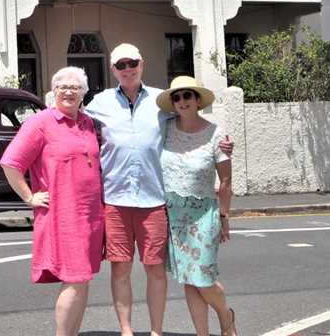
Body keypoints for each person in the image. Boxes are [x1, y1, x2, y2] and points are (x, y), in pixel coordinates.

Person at [84, 43, 233, 336]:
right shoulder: (99, 103)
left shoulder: (159, 102)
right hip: (115, 199)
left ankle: (156, 331)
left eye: (132, 63)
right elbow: (76, 129)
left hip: (154, 201)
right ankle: (126, 330)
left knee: (155, 269)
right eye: (121, 65)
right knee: (120, 270)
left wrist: (222, 143)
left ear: (142, 63)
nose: (127, 69)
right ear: (113, 69)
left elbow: (191, 123)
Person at [0, 66, 105, 336]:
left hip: (90, 216)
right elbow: (11, 163)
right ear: (53, 91)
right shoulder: (40, 123)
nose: (69, 92)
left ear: (84, 93)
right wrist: (29, 196)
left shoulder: (88, 123)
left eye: (75, 87)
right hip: (63, 216)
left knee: (83, 281)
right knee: (75, 278)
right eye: (63, 87)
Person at [157, 75, 237, 336]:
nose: (182, 101)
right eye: (176, 97)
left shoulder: (216, 135)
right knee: (189, 280)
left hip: (203, 214)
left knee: (202, 278)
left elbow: (226, 180)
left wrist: (224, 216)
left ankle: (226, 317)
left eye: (187, 95)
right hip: (173, 214)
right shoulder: (165, 128)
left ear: (197, 99)